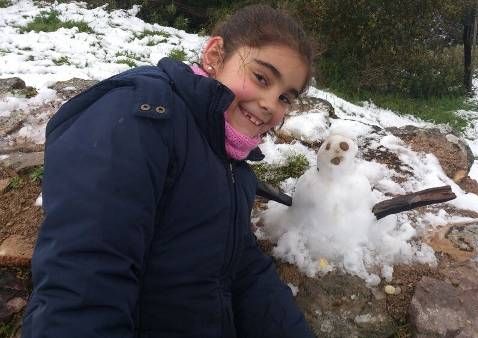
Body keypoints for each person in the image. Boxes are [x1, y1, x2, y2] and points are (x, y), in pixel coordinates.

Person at [22, 4, 315, 338]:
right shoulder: (143, 117)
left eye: (285, 98)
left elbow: (242, 268)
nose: (269, 104)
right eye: (261, 78)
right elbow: (83, 282)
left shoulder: (227, 157)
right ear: (215, 54)